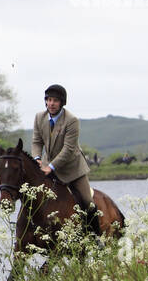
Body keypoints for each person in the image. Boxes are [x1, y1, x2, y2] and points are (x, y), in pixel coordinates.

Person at [31, 84, 98, 236]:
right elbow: (36, 142)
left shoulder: (72, 120)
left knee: (88, 201)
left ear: (62, 103)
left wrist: (51, 167)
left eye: (55, 100)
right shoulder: (39, 117)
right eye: (48, 100)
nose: (51, 103)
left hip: (72, 169)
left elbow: (68, 149)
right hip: (47, 166)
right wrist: (36, 158)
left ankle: (95, 236)